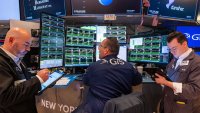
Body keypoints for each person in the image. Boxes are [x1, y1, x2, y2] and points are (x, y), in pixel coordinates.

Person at [73, 37, 142, 113]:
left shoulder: (94, 66)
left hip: (96, 109)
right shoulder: (128, 66)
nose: (98, 48)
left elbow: (86, 81)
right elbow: (138, 81)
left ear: (106, 50)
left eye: (100, 46)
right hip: (120, 109)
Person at [0, 28, 50, 113]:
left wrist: (41, 83)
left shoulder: (18, 59)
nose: (29, 49)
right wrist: (38, 79)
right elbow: (4, 98)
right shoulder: (1, 62)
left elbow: (23, 85)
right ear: (11, 40)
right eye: (26, 45)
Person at [155, 31, 200, 113]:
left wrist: (166, 83)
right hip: (168, 105)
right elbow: (169, 78)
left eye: (174, 48)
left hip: (184, 108)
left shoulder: (197, 62)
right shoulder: (174, 60)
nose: (171, 52)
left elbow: (195, 90)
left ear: (184, 44)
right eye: (170, 49)